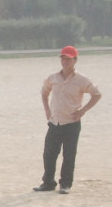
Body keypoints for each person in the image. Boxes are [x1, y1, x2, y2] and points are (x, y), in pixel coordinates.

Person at [34, 45, 102, 194]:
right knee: (49, 154)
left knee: (69, 155)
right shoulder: (53, 78)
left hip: (71, 123)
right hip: (54, 122)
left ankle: (65, 184)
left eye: (68, 59)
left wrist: (83, 111)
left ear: (75, 60)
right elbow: (44, 92)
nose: (64, 62)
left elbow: (97, 94)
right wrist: (47, 109)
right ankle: (48, 183)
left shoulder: (82, 80)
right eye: (63, 58)